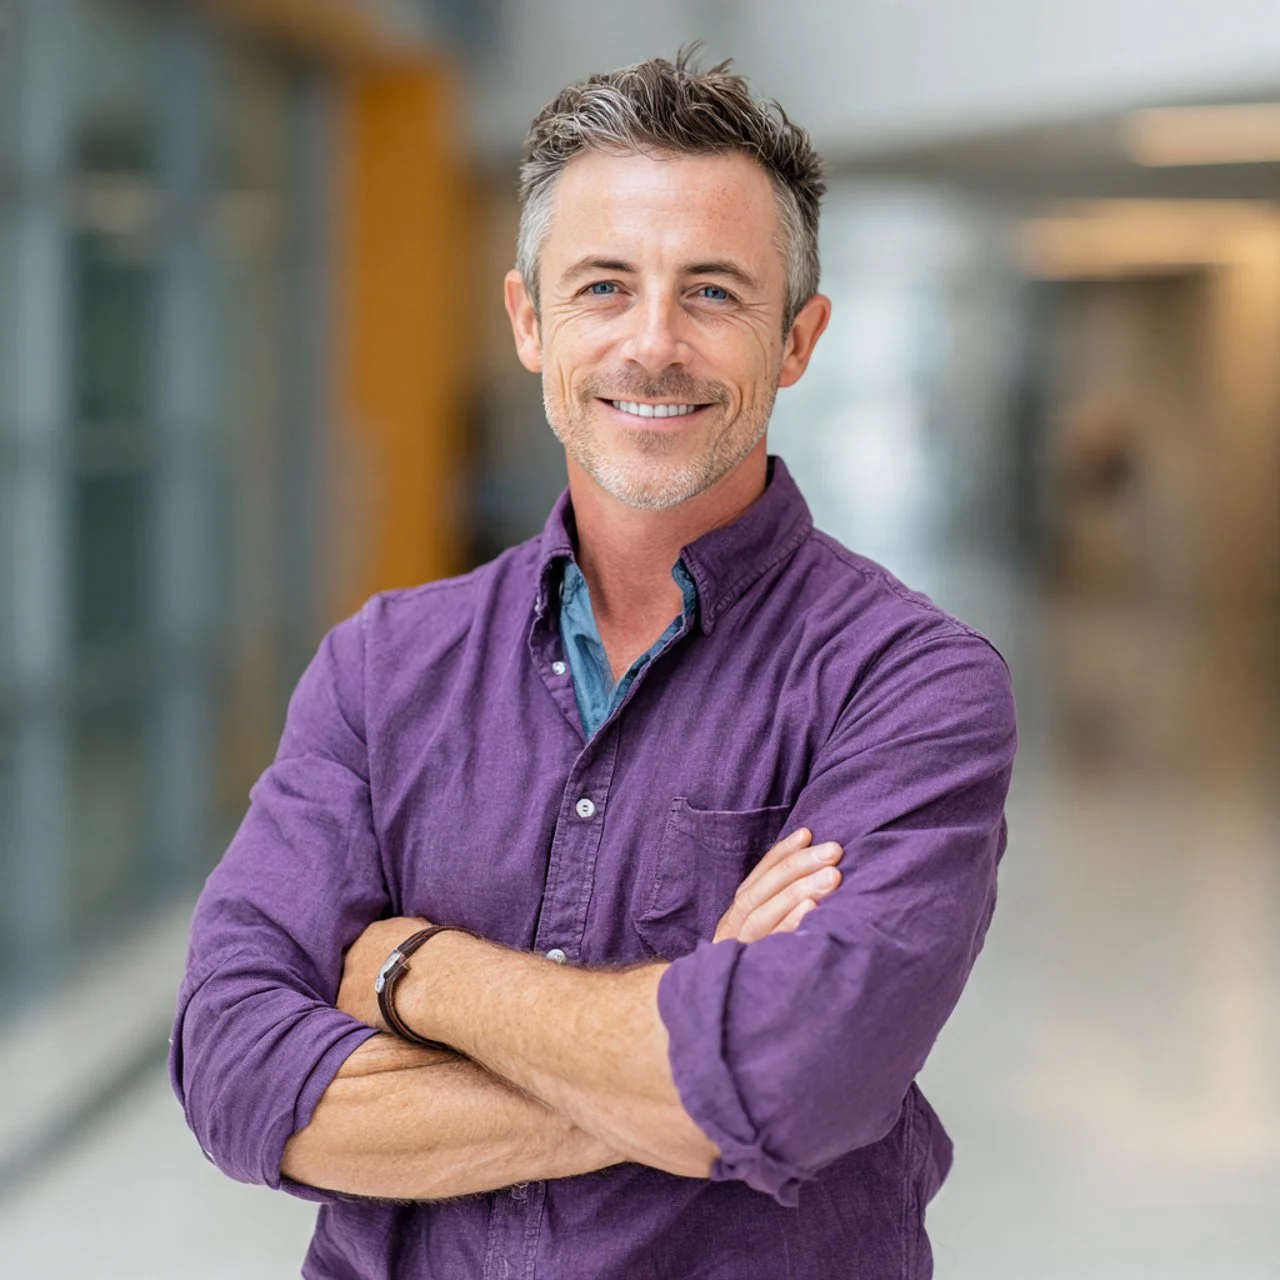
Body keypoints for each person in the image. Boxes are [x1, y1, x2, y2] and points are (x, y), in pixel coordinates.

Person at [171, 50, 1017, 1280]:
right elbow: (235, 1070)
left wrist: (412, 970)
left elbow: (790, 1080)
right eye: (604, 286)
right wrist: (685, 1052)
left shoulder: (908, 686)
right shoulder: (381, 667)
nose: (652, 343)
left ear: (796, 338)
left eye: (713, 291)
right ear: (529, 321)